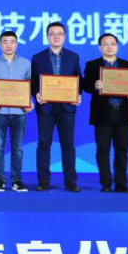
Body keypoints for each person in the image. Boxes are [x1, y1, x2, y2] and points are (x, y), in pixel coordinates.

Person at [30, 22, 83, 192]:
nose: (56, 36)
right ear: (47, 37)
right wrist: (36, 93)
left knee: (68, 144)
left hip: (67, 107)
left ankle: (70, 181)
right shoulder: (37, 58)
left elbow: (78, 80)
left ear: (64, 37)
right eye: (52, 33)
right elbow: (33, 82)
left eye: (59, 33)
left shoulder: (73, 57)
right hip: (46, 107)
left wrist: (78, 95)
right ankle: (43, 180)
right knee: (44, 144)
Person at [82, 33, 128, 193]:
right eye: (105, 44)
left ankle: (121, 183)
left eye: (112, 43)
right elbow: (85, 86)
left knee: (122, 151)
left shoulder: (126, 64)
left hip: (122, 113)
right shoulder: (92, 65)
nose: (109, 46)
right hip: (102, 114)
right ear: (100, 47)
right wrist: (94, 86)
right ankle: (105, 183)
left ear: (117, 46)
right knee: (102, 150)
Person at [0, 30, 32, 193]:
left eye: (12, 41)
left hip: (19, 113)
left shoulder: (26, 64)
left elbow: (30, 86)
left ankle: (16, 180)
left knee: (17, 148)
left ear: (16, 44)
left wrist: (29, 101)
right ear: (0, 45)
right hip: (0, 112)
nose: (8, 45)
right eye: (5, 42)